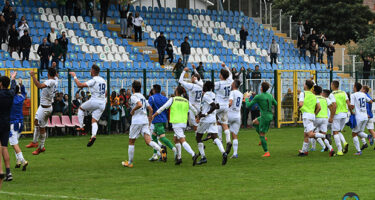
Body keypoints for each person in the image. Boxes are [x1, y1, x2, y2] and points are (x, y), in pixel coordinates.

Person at [121, 81, 166, 168]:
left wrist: (133, 110)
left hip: (137, 121)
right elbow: (150, 109)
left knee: (131, 141)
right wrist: (149, 120)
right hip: (144, 120)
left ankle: (130, 163)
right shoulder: (143, 96)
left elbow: (139, 104)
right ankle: (161, 150)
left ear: (133, 88)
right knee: (148, 141)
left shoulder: (134, 96)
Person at [152, 85, 198, 165]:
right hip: (183, 123)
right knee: (175, 139)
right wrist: (197, 116)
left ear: (176, 92)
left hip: (176, 123)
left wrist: (154, 114)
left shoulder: (173, 99)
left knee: (182, 140)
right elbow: (194, 109)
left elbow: (163, 107)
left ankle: (193, 154)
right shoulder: (186, 100)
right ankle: (179, 158)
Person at [69, 65, 106, 147]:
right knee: (94, 121)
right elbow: (106, 92)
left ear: (93, 71)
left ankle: (81, 126)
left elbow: (79, 85)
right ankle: (93, 136)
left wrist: (74, 76)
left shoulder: (94, 80)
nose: (90, 71)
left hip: (95, 101)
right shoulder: (103, 80)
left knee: (81, 108)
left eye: (90, 70)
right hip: (102, 103)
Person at [195, 81, 228, 165]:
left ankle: (203, 157)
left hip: (206, 119)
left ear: (206, 87)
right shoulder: (214, 95)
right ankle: (224, 153)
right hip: (213, 119)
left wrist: (205, 114)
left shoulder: (206, 95)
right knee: (215, 137)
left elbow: (213, 106)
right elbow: (217, 106)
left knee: (198, 137)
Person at [28, 68, 58, 155]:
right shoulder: (56, 80)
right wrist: (53, 66)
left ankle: (41, 147)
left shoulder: (50, 81)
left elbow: (39, 86)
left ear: (48, 74)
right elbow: (56, 76)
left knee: (42, 128)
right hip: (42, 106)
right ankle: (34, 142)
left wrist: (33, 76)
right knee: (36, 122)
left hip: (45, 108)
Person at [245, 82, 277, 157]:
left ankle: (266, 152)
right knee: (254, 122)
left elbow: (248, 105)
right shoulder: (270, 96)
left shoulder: (258, 97)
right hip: (269, 115)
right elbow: (276, 104)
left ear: (261, 88)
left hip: (265, 117)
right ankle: (263, 138)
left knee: (262, 134)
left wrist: (246, 98)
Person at [209, 64, 233, 155]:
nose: (219, 75)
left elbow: (210, 87)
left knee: (212, 117)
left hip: (219, 105)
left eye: (220, 74)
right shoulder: (230, 81)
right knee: (224, 123)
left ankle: (218, 139)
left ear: (222, 76)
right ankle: (228, 140)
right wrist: (225, 66)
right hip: (226, 105)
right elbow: (230, 74)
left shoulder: (219, 83)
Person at [148, 84, 176, 161]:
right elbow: (168, 108)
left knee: (162, 137)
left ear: (153, 90)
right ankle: (155, 155)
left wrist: (149, 117)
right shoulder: (165, 98)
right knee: (153, 137)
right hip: (164, 119)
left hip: (157, 120)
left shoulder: (152, 98)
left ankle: (174, 150)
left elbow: (149, 108)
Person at [9, 75, 28, 171]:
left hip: (12, 123)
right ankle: (18, 161)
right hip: (21, 122)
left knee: (14, 143)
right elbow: (24, 92)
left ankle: (23, 160)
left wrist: (12, 79)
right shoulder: (21, 97)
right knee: (16, 143)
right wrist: (21, 84)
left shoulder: (10, 99)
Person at [0, 73, 17, 182]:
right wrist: (13, 79)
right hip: (6, 122)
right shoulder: (10, 93)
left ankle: (1, 171)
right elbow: (14, 88)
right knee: (4, 147)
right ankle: (8, 172)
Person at [349, 82, 374, 155]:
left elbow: (352, 106)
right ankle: (368, 136)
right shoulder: (363, 94)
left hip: (358, 116)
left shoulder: (353, 95)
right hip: (365, 116)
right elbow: (370, 101)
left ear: (355, 87)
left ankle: (359, 151)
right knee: (359, 132)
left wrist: (352, 112)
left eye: (353, 86)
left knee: (354, 134)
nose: (353, 88)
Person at [329, 80, 351, 156]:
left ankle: (339, 150)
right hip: (344, 114)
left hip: (337, 114)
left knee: (335, 132)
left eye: (331, 84)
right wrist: (351, 112)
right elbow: (348, 103)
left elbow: (334, 105)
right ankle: (344, 142)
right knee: (339, 131)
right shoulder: (343, 92)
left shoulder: (332, 94)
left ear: (333, 85)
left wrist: (331, 117)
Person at [312, 85, 335, 155]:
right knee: (322, 134)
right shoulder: (325, 99)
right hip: (325, 119)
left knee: (310, 134)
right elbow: (332, 107)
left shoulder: (313, 98)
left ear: (314, 91)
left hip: (316, 118)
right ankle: (331, 148)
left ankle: (305, 150)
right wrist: (331, 117)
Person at [179, 66, 203, 132]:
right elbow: (199, 77)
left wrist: (184, 71)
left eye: (192, 77)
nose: (191, 78)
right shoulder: (201, 84)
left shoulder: (191, 86)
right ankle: (200, 134)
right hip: (199, 105)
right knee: (198, 121)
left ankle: (198, 137)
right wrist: (194, 69)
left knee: (194, 122)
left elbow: (180, 81)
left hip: (192, 106)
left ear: (195, 78)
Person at [228, 80, 243, 158]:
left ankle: (219, 139)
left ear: (233, 84)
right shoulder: (240, 94)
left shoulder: (232, 92)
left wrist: (223, 108)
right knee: (234, 135)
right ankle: (235, 153)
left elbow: (230, 103)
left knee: (219, 123)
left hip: (230, 114)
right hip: (237, 115)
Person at [362, 85, 375, 150]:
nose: (361, 89)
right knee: (371, 131)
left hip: (366, 116)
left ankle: (364, 143)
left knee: (358, 131)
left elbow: (366, 106)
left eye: (362, 88)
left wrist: (366, 114)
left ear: (364, 90)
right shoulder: (368, 96)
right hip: (370, 115)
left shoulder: (364, 96)